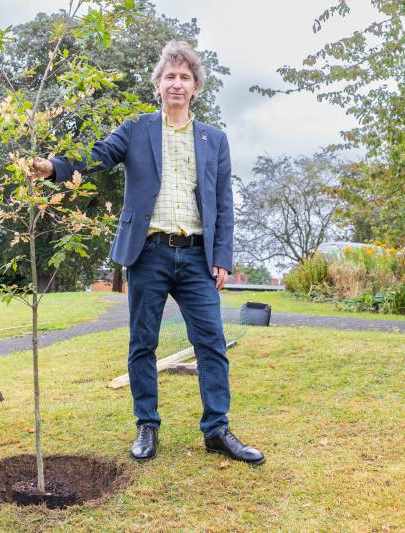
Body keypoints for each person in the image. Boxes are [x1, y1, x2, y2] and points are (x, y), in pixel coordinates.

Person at [34, 41, 264, 464]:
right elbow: (98, 156)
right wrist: (55, 167)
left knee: (210, 342)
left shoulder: (215, 139)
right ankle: (147, 425)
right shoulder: (136, 129)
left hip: (197, 256)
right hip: (148, 253)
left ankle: (217, 429)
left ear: (196, 87)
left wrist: (223, 257)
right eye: (170, 77)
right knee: (143, 342)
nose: (177, 84)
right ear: (157, 85)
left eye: (185, 77)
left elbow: (224, 202)